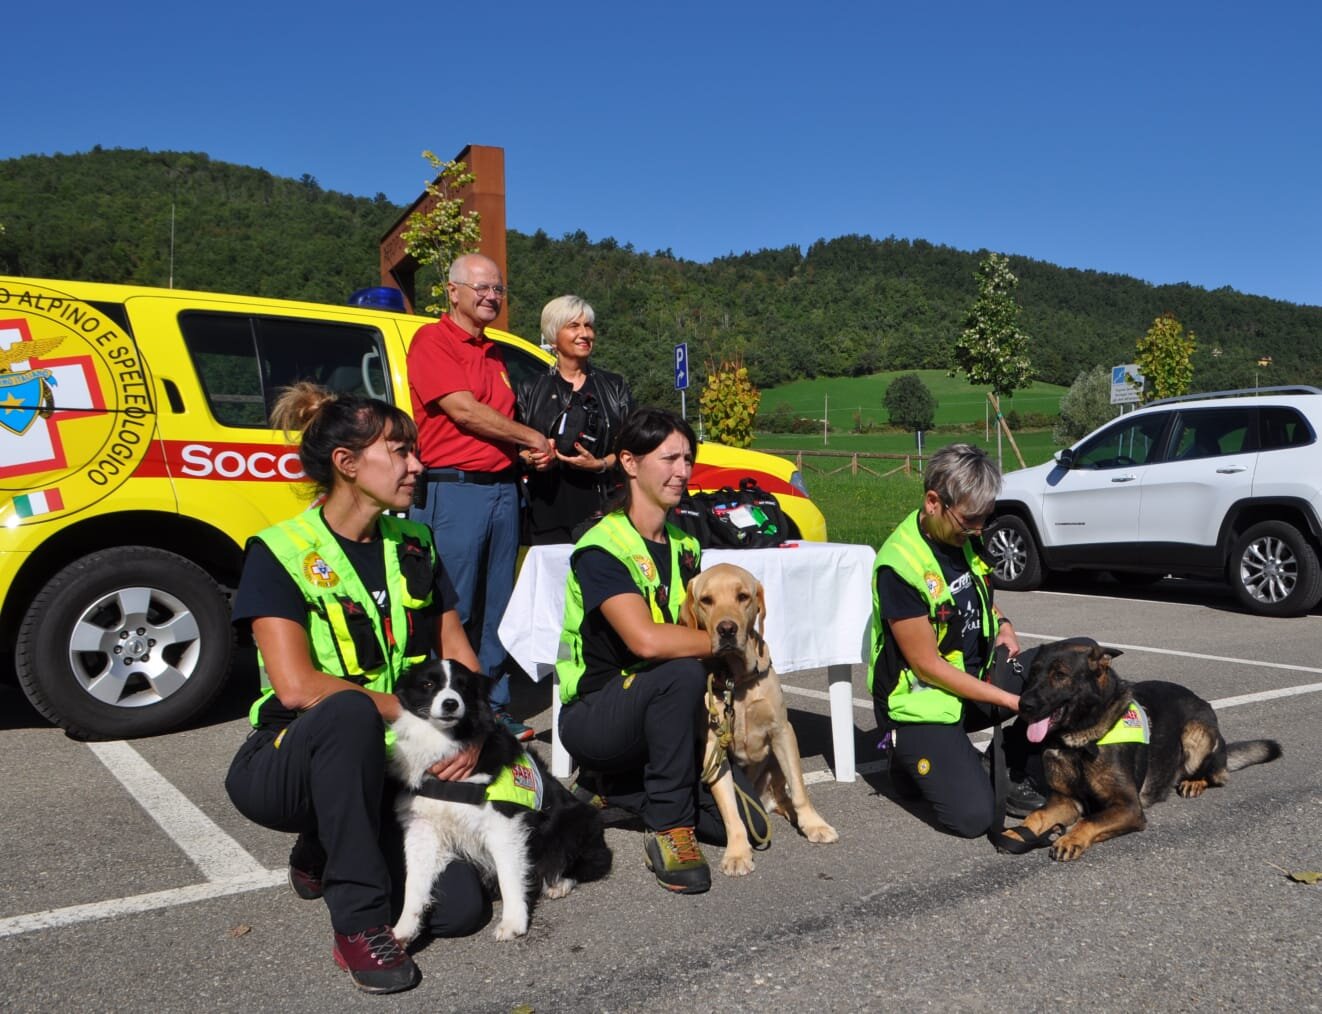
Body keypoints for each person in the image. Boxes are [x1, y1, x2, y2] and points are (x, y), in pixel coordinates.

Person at [225, 384, 490, 995]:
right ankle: (358, 921)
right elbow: (294, 686)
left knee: (458, 912)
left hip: (394, 759)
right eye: (399, 451)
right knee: (345, 710)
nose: (417, 465)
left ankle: (325, 845)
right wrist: (415, 717)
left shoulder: (415, 546)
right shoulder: (281, 552)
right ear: (347, 464)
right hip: (292, 755)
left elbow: (459, 656)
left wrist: (473, 730)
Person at [556, 407, 768, 895]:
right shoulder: (601, 546)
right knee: (683, 676)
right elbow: (646, 640)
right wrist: (735, 646)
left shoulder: (684, 544)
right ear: (629, 463)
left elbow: (703, 620)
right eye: (669, 457)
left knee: (734, 824)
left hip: (660, 710)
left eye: (688, 458)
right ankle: (669, 829)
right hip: (596, 713)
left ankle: (612, 788)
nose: (683, 470)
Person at [406, 253, 555, 742]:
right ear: (452, 291)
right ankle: (447, 710)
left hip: (501, 493)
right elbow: (464, 412)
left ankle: (493, 707)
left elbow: (493, 424)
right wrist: (530, 438)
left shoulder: (493, 353)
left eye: (498, 289)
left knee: (498, 610)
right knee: (454, 607)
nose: (491, 296)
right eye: (481, 288)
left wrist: (524, 452)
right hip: (455, 492)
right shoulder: (433, 340)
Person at [868, 443, 1050, 839]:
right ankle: (905, 754)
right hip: (922, 701)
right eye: (970, 519)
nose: (979, 529)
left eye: (986, 517)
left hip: (973, 681)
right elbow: (927, 666)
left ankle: (1002, 764)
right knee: (973, 819)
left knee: (1064, 664)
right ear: (934, 502)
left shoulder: (964, 537)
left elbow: (978, 601)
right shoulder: (900, 566)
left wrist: (1005, 625)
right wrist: (1009, 700)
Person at [516, 294, 635, 544]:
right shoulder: (530, 388)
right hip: (546, 510)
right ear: (553, 337)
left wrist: (601, 464)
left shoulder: (615, 387)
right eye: (574, 326)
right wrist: (534, 458)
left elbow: (633, 447)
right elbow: (515, 448)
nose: (585, 333)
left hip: (605, 508)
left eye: (588, 326)